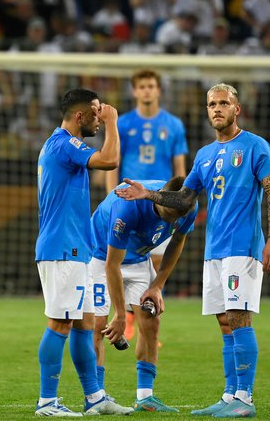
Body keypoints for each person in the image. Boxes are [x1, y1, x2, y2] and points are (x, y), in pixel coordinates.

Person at [116, 83, 270, 418]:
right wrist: (147, 195)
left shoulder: (254, 146)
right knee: (224, 321)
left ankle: (245, 399)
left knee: (239, 318)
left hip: (242, 248)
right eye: (211, 104)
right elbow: (184, 200)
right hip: (214, 249)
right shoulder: (205, 156)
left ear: (237, 109)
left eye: (223, 103)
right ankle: (229, 395)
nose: (217, 109)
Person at [34, 88, 133, 417]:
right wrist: (113, 124)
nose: (100, 116)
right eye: (95, 112)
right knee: (60, 322)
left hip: (74, 247)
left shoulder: (59, 145)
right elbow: (110, 160)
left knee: (84, 323)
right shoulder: (65, 144)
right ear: (80, 116)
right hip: (62, 248)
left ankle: (94, 398)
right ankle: (47, 402)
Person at [92, 177, 198, 412]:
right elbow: (112, 265)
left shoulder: (187, 204)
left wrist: (158, 285)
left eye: (175, 218)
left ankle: (145, 397)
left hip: (139, 259)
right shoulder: (127, 206)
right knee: (98, 324)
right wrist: (120, 314)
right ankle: (96, 396)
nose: (169, 221)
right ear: (157, 196)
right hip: (100, 255)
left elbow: (177, 241)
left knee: (152, 320)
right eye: (166, 214)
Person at [106, 68, 189, 340]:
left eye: (151, 86)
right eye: (141, 86)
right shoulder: (125, 124)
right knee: (121, 259)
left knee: (153, 263)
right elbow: (113, 164)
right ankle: (128, 319)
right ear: (134, 91)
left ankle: (142, 317)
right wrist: (112, 196)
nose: (146, 91)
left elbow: (179, 168)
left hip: (160, 205)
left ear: (158, 90)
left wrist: (181, 197)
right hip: (130, 202)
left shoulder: (174, 125)